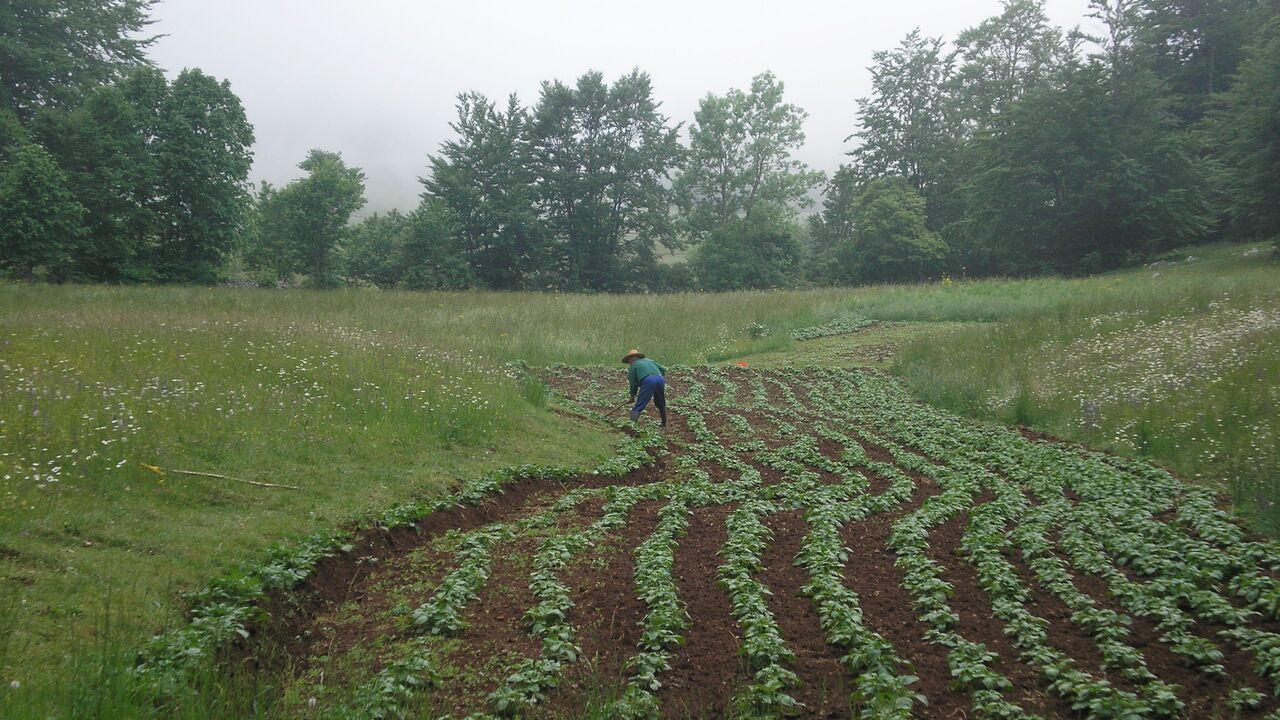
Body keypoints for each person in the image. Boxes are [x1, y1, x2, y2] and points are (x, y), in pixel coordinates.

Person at [622, 348, 667, 426]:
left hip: (648, 380)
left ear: (630, 360)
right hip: (660, 379)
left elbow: (633, 384)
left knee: (640, 404)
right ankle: (664, 423)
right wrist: (659, 378)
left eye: (629, 361)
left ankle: (631, 427)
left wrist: (632, 397)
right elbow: (663, 369)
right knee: (660, 402)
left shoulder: (633, 367)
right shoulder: (649, 361)